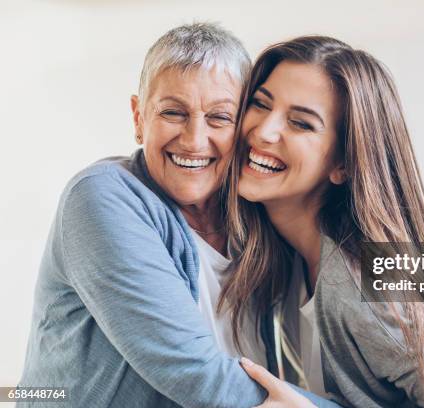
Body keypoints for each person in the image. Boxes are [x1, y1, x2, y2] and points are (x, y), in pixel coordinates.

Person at [18, 24, 336, 408]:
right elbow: (196, 373)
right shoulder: (101, 194)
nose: (194, 139)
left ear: (343, 161)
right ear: (138, 117)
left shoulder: (265, 222)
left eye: (219, 118)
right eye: (172, 112)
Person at [221, 36, 424, 407]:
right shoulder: (286, 262)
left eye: (301, 123)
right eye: (260, 104)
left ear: (343, 164)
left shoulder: (366, 288)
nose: (264, 131)